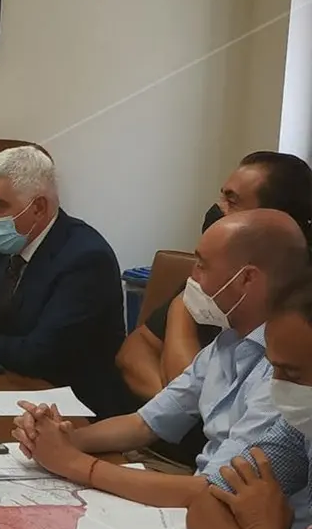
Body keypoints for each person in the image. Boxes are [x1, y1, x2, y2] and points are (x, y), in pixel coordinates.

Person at [11, 210, 308, 511]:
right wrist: (63, 438)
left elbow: (214, 492)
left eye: (202, 265)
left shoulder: (291, 372)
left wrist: (74, 463)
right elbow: (145, 423)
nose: (192, 278)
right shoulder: (228, 340)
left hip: (227, 515)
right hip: (202, 510)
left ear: (246, 278)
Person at [0, 145, 131, 418]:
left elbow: (42, 356)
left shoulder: (86, 258)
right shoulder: (3, 249)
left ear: (38, 207)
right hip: (7, 390)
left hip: (73, 409)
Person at [118, 152, 312, 404]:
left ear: (273, 219)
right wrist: (170, 410)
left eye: (232, 201)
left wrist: (181, 311)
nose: (218, 209)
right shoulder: (217, 272)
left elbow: (195, 391)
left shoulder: (297, 306)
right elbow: (134, 351)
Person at [183, 267, 312, 529]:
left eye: (292, 374)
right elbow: (207, 505)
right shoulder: (301, 425)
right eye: (274, 370)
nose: (277, 387)